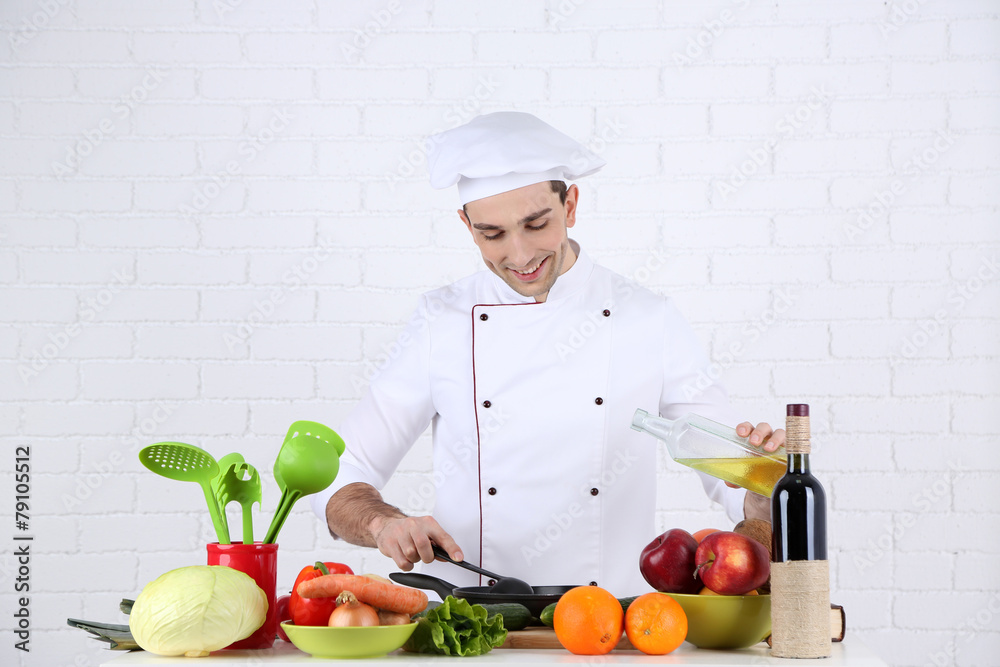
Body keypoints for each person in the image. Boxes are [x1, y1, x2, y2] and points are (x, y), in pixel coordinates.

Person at [311, 112, 784, 597]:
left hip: (611, 625)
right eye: (492, 234)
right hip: (470, 622)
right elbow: (342, 471)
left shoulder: (648, 318)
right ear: (466, 226)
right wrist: (382, 523)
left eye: (536, 224)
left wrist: (763, 488)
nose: (519, 255)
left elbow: (732, 481)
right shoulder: (441, 320)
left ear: (571, 204)